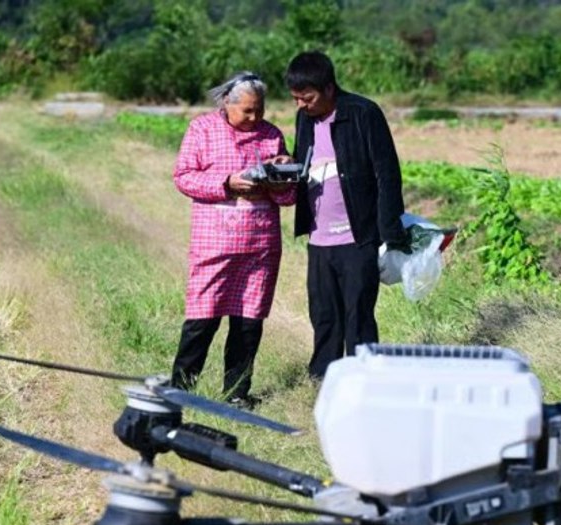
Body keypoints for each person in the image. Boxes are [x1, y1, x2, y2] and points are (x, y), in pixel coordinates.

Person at [169, 71, 295, 408]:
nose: (255, 118)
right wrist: (227, 183)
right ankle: (180, 389)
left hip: (260, 245)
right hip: (215, 242)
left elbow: (287, 198)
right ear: (227, 104)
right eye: (248, 111)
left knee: (249, 320)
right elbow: (183, 178)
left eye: (260, 110)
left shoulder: (271, 136)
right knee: (202, 317)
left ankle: (237, 392)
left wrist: (283, 175)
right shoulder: (202, 129)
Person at [284, 51, 409, 380]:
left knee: (358, 315)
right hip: (318, 237)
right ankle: (323, 378)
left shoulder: (363, 113)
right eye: (296, 99)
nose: (301, 105)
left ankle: (362, 378)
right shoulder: (305, 119)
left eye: (306, 97)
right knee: (324, 315)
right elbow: (305, 162)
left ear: (328, 88)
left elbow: (387, 175)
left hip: (358, 236)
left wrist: (389, 231)